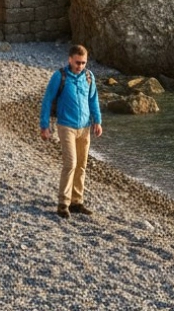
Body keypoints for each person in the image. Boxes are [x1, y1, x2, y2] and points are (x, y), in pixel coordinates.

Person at [39, 44, 103, 218]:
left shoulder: (89, 77)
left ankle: (77, 202)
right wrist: (44, 125)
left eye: (83, 63)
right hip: (66, 126)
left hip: (85, 128)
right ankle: (63, 203)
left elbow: (93, 100)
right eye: (77, 62)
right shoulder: (59, 77)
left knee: (82, 166)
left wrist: (97, 121)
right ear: (70, 59)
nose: (80, 66)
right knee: (71, 164)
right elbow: (47, 101)